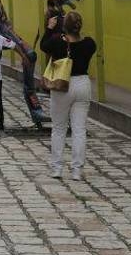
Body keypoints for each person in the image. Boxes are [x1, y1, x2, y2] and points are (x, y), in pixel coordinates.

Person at [41, 10, 98, 180]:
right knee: (79, 130)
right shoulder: (89, 44)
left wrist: (50, 28)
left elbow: (44, 46)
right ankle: (76, 171)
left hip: (62, 84)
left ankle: (57, 168)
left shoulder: (57, 41)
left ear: (63, 27)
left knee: (59, 128)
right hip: (82, 84)